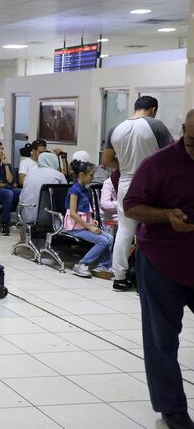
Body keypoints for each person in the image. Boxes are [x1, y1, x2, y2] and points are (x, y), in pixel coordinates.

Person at [122, 109, 194, 429]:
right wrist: (167, 215)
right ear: (182, 131)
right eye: (193, 141)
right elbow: (132, 206)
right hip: (162, 261)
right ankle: (172, 407)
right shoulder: (158, 164)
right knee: (162, 339)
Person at [102, 95, 175, 291]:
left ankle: (119, 277)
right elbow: (171, 156)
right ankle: (148, 277)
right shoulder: (156, 125)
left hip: (125, 182)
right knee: (150, 230)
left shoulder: (115, 129)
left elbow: (107, 160)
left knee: (124, 231)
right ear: (153, 109)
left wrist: (126, 165)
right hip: (150, 182)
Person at [62, 159, 115, 278]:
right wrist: (89, 227)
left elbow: (85, 211)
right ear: (81, 175)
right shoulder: (74, 190)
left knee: (110, 238)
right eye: (91, 175)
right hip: (75, 228)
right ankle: (81, 264)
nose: (93, 177)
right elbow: (73, 214)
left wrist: (91, 221)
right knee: (103, 241)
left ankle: (103, 266)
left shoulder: (85, 189)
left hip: (83, 226)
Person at [19, 152, 67, 225]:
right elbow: (65, 196)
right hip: (50, 218)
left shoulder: (30, 174)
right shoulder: (58, 175)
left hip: (26, 216)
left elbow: (22, 196)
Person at [100, 169, 119, 236]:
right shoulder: (109, 182)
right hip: (110, 220)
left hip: (123, 216)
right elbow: (104, 204)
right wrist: (122, 204)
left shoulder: (130, 180)